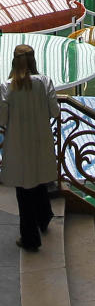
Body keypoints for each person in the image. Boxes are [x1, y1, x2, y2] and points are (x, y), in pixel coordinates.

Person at [0, 45, 60, 251]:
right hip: (41, 142)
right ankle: (44, 218)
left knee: (24, 191)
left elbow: (1, 119)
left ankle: (30, 238)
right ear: (33, 60)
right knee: (39, 179)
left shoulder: (7, 86)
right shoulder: (44, 82)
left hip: (18, 145)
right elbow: (55, 112)